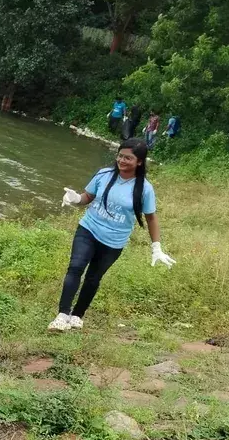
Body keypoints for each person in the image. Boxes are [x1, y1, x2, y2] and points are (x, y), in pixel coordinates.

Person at [53, 138, 176, 331]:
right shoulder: (104, 174)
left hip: (114, 242)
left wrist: (156, 247)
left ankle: (77, 315)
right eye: (120, 156)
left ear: (140, 162)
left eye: (128, 158)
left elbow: (151, 218)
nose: (122, 161)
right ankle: (62, 315)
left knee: (93, 278)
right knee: (75, 268)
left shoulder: (145, 189)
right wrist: (75, 198)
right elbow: (88, 197)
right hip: (88, 229)